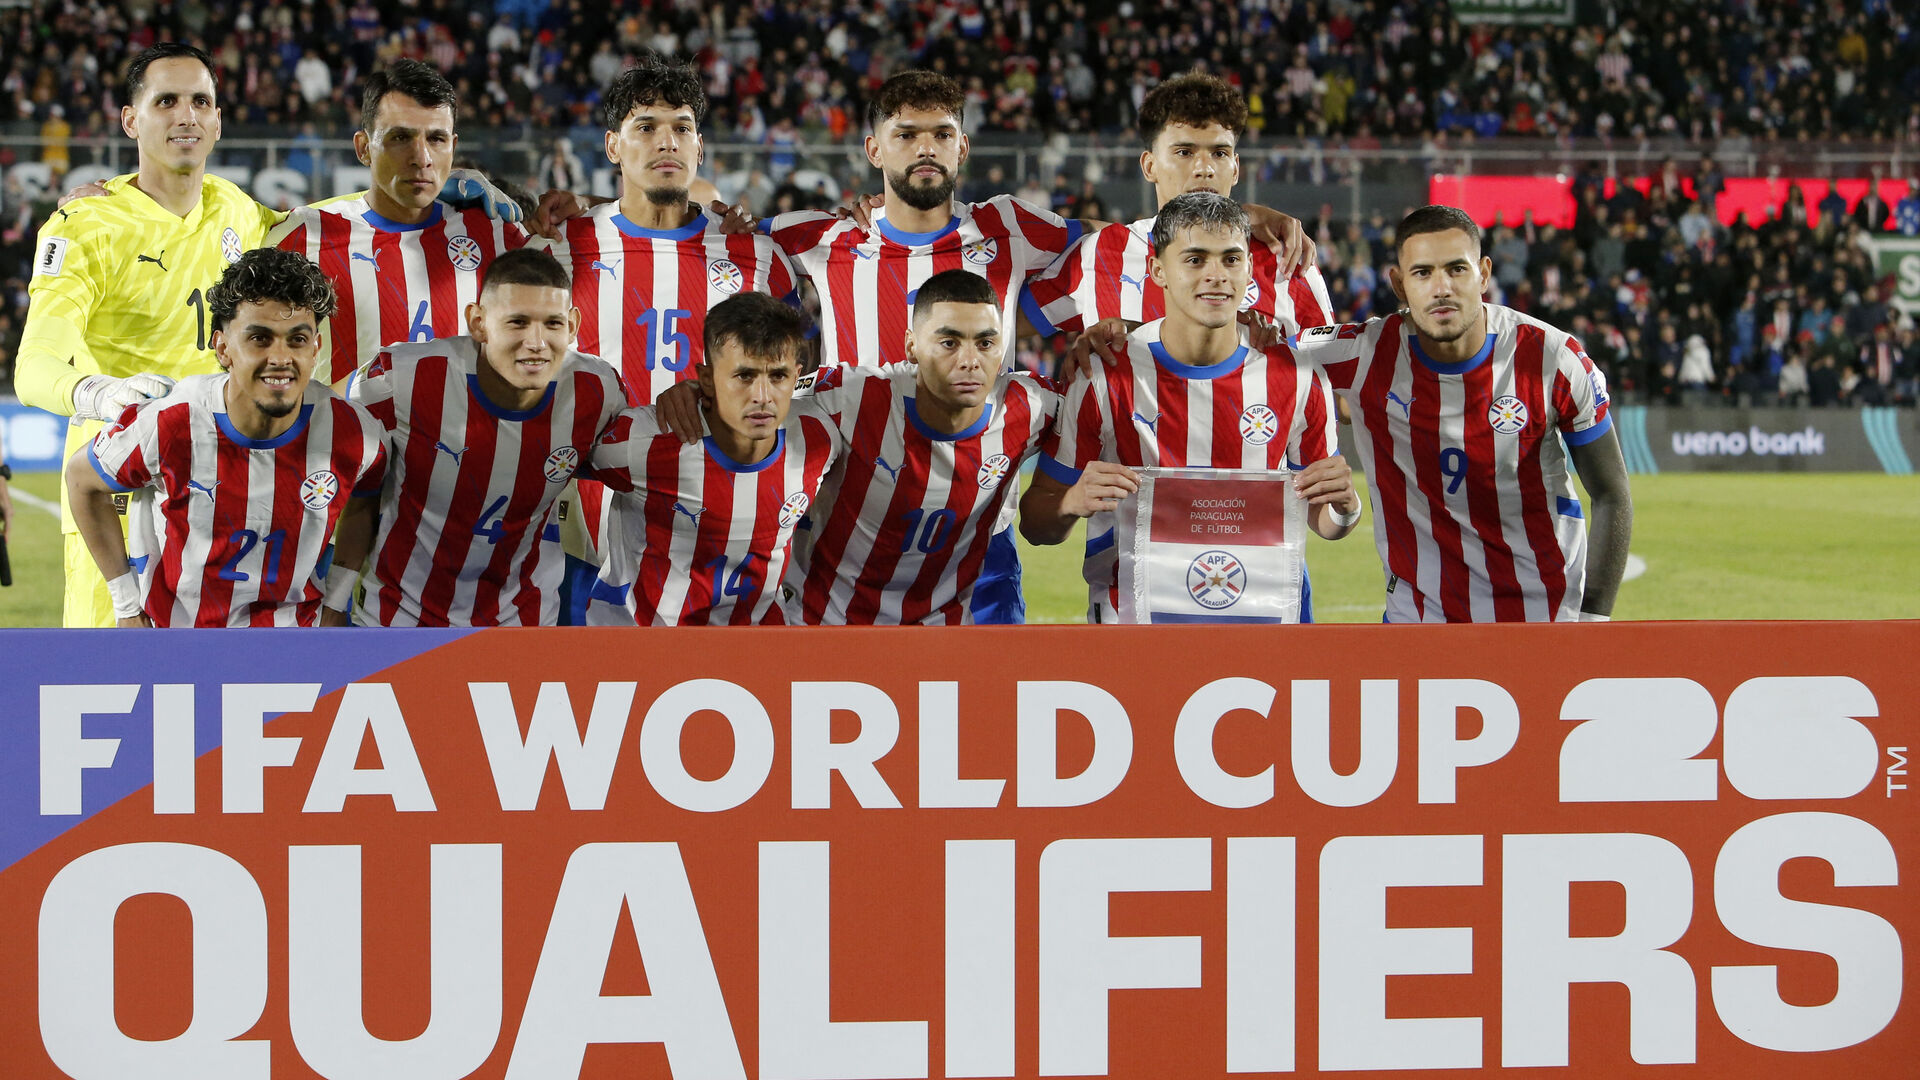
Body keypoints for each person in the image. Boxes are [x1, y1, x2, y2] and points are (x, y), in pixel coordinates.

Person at [16, 43, 286, 626]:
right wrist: (100, 393)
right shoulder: (85, 225)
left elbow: (336, 222)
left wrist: (446, 191)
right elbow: (34, 363)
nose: (186, 115)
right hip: (115, 496)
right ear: (130, 120)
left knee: (216, 679)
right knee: (111, 676)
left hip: (216, 495)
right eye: (166, 101)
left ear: (218, 121)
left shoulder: (237, 210)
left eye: (200, 102)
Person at [1019, 193, 1356, 624]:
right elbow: (1036, 525)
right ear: (1157, 270)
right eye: (1195, 260)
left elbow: (1326, 520)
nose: (1216, 275)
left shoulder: (1297, 376)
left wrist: (1346, 507)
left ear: (1249, 269)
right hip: (1133, 634)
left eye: (1231, 259)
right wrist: (1071, 501)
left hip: (1262, 633)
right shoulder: (1103, 374)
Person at [1297, 204, 1633, 624]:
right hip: (1416, 624)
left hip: (1546, 621)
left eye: (1457, 269)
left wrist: (1594, 620)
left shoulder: (1553, 359)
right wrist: (1255, 217)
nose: (1442, 288)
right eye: (1422, 273)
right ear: (1399, 285)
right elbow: (1251, 351)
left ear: (1484, 274)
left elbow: (1611, 493)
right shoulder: (1362, 355)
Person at [63, 248, 387, 628]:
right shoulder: (172, 421)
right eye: (260, 339)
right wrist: (127, 609)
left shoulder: (354, 434)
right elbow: (82, 480)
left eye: (297, 339)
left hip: (297, 644)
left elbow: (367, 496)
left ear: (315, 348)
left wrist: (336, 600)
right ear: (223, 348)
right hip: (181, 642)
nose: (280, 357)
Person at [337, 248, 626, 626]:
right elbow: (318, 422)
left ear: (572, 326)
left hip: (523, 622)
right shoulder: (403, 377)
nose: (537, 342)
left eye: (553, 324)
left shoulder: (598, 391)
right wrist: (333, 606)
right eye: (517, 322)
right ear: (477, 322)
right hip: (396, 619)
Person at [788, 270, 1063, 624]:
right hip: (827, 627)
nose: (969, 360)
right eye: (949, 343)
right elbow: (759, 399)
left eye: (985, 343)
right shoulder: (845, 397)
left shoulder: (1031, 407)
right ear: (912, 346)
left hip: (943, 638)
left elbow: (1100, 401)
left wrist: (1101, 346)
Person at [532, 56, 800, 405]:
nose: (668, 142)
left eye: (682, 129)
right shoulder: (556, 249)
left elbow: (796, 377)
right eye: (646, 128)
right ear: (613, 146)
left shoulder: (759, 256)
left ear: (699, 149)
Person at [583, 292, 845, 625]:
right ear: (706, 379)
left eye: (777, 376)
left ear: (796, 376)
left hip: (756, 643)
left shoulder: (819, 439)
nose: (762, 396)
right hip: (645, 642)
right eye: (744, 376)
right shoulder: (644, 443)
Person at [1022, 73, 1329, 354]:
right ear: (1149, 166)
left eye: (1219, 153)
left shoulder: (1286, 257)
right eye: (1184, 152)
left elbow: (1333, 378)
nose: (1204, 168)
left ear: (1235, 168)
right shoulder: (1101, 253)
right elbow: (1004, 328)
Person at [270, 60, 530, 388]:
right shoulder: (302, 238)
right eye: (400, 137)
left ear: (453, 147)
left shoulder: (497, 235)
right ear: (364, 148)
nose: (422, 157)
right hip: (343, 424)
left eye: (436, 139)